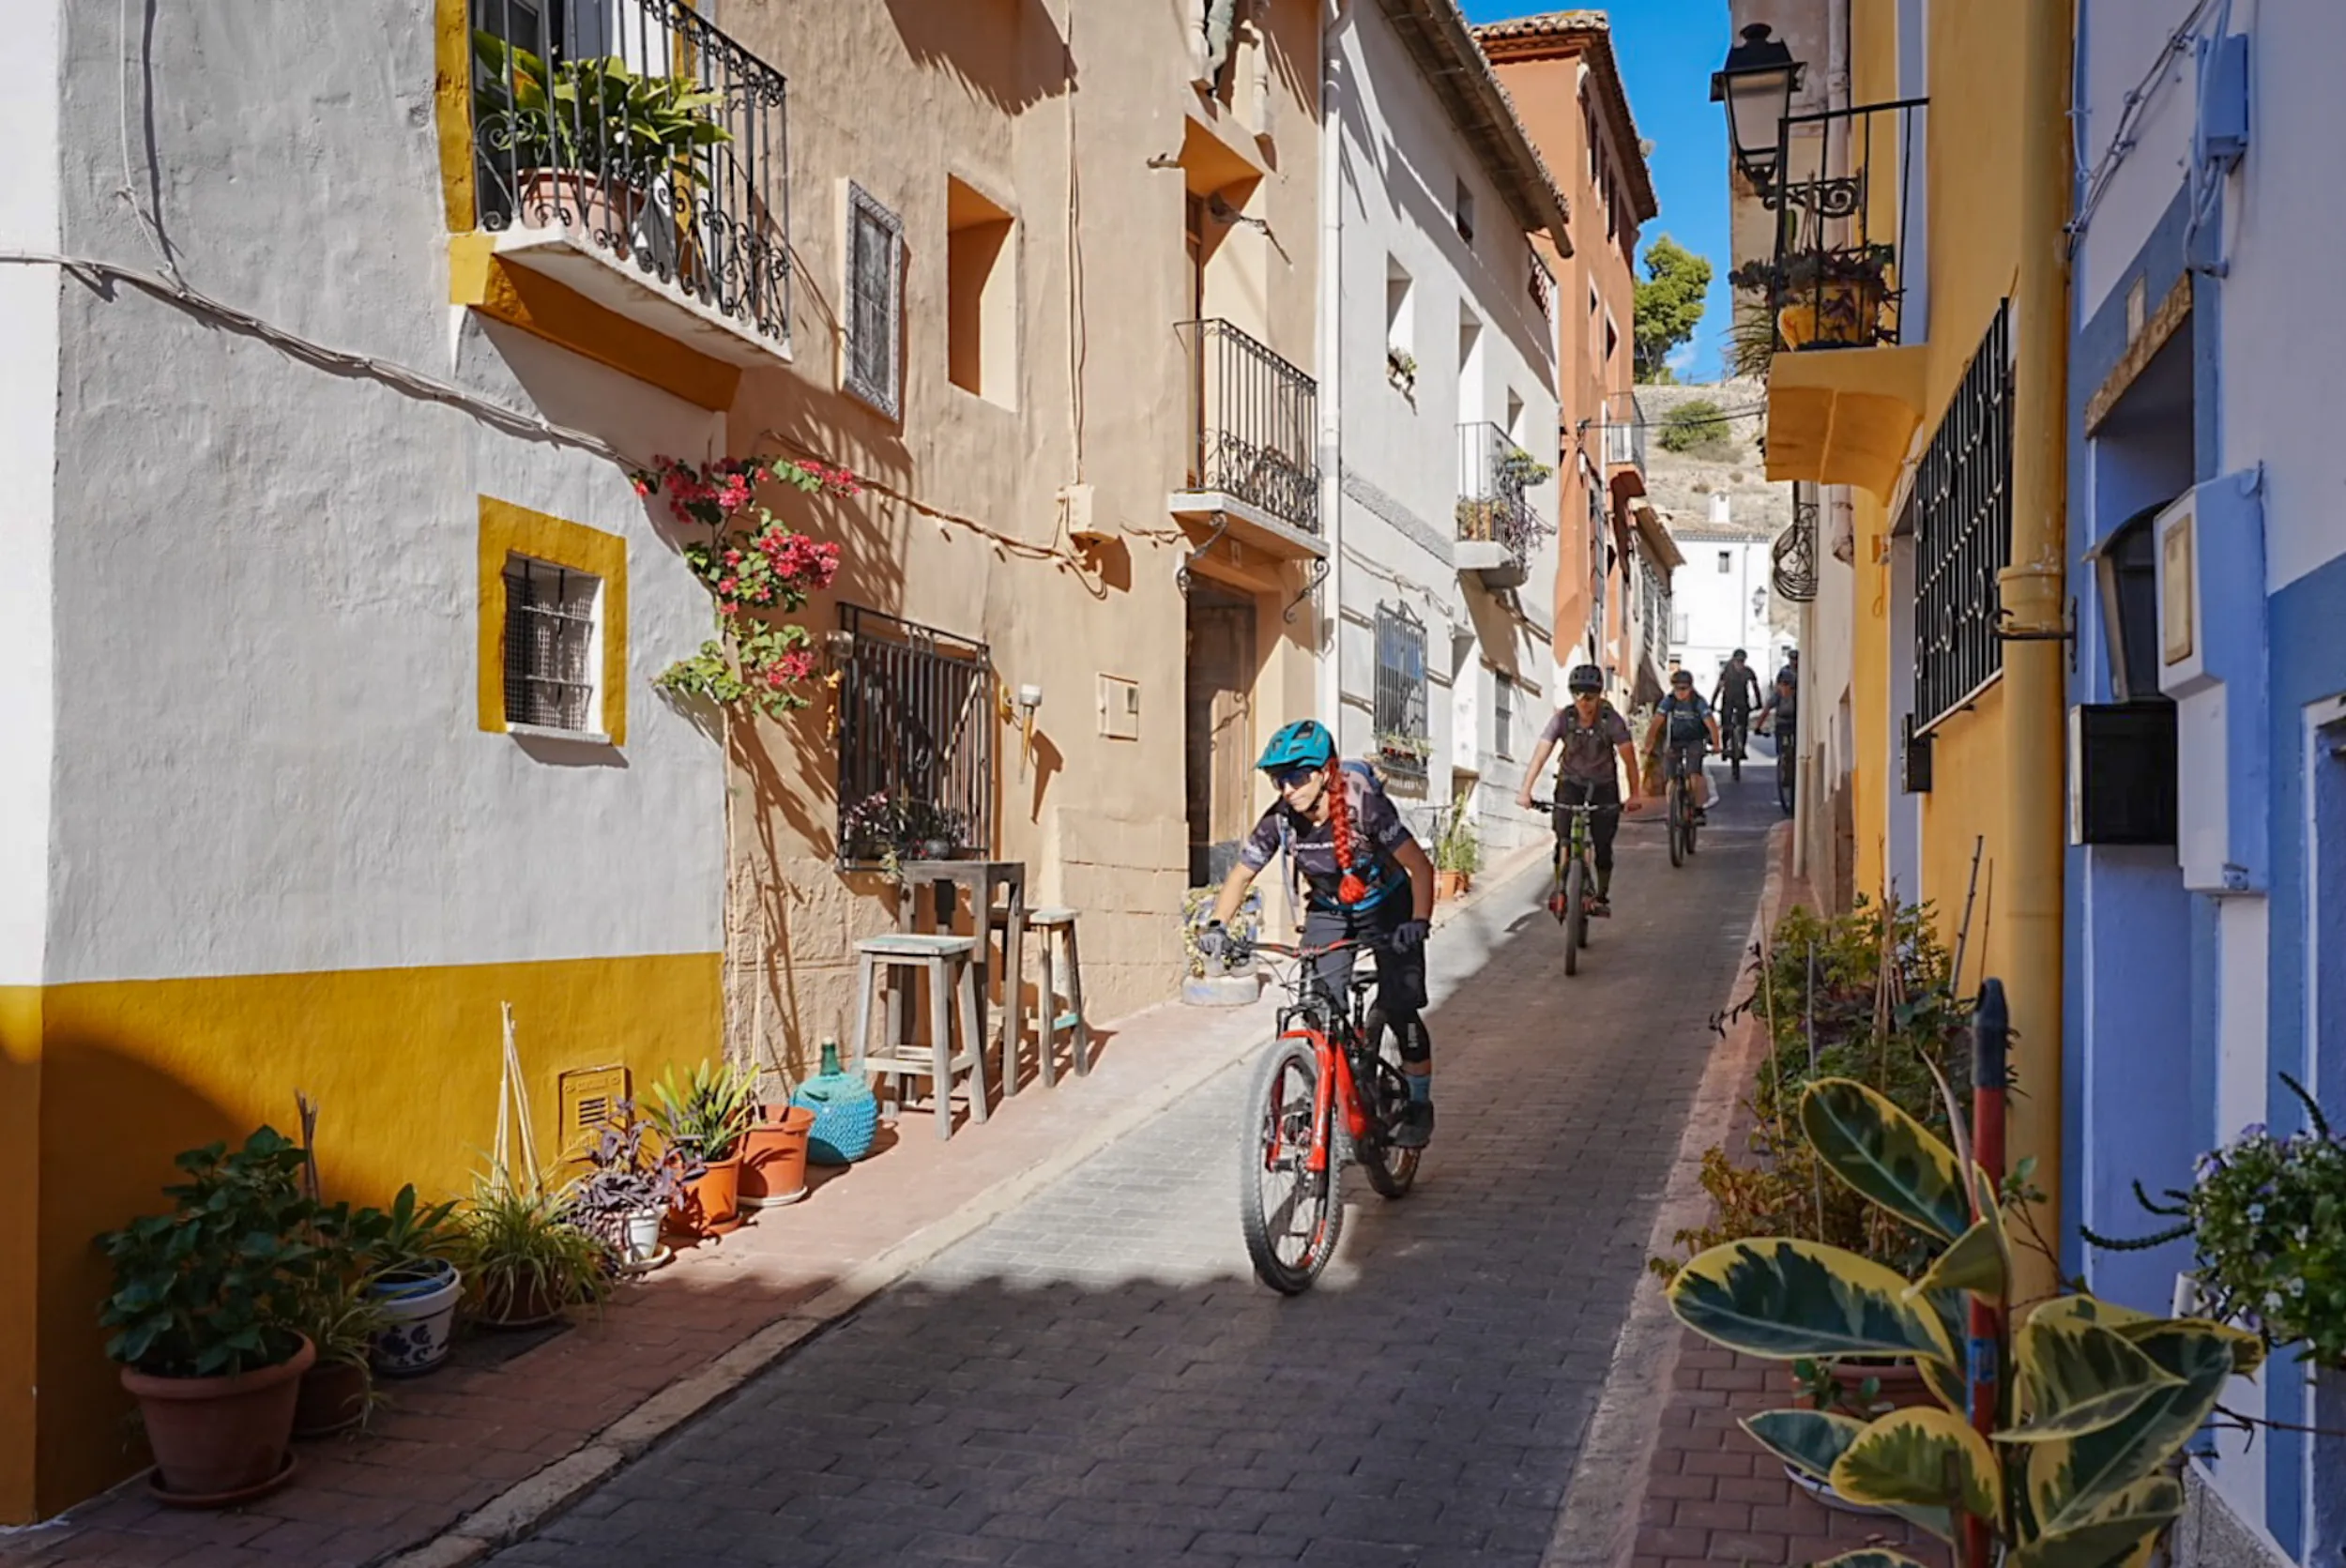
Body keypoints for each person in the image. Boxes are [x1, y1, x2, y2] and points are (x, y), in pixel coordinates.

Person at [1197, 720, 1440, 1148]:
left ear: (1324, 771)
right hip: (1329, 909)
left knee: (1401, 1005)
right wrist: (1216, 925)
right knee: (1315, 1005)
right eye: (1278, 779)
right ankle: (1321, 1099)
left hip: (1387, 904)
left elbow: (1420, 868)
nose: (1286, 788)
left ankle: (1418, 1103)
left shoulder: (1364, 807)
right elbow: (1241, 875)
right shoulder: (1282, 820)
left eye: (1295, 776)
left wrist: (1417, 924)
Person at [1516, 663, 1645, 918]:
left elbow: (1629, 759)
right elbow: (1541, 754)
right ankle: (1560, 888)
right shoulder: (1564, 718)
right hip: (1570, 783)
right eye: (1577, 694)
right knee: (1562, 838)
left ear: (1599, 695)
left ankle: (1601, 894)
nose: (1583, 701)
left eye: (1589, 696)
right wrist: (1525, 790)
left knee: (1603, 845)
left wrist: (1635, 795)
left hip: (1604, 786)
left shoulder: (1611, 720)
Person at [1649, 668, 1722, 821]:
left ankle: (1696, 808)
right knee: (1670, 778)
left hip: (1694, 740)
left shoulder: (1698, 702)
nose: (1680, 692)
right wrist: (1649, 744)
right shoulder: (1669, 701)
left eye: (1684, 689)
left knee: (1693, 774)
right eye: (1677, 688)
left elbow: (1710, 723)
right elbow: (1656, 722)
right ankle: (1671, 811)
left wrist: (1716, 744)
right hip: (1674, 740)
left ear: (1691, 687)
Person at [1711, 649, 1761, 757]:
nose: (1740, 664)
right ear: (1733, 661)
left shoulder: (1748, 672)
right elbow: (1719, 687)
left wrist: (1759, 702)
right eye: (1738, 661)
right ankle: (1725, 748)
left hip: (1742, 701)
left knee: (1743, 726)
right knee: (1726, 725)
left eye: (1742, 661)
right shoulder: (1726, 672)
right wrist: (1713, 702)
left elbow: (1755, 687)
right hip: (1728, 701)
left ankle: (1742, 748)